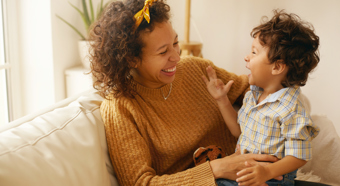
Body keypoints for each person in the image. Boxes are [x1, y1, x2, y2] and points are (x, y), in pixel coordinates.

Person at [202, 10, 320, 186]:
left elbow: (300, 156)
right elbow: (238, 131)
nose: (246, 57)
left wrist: (267, 171)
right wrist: (222, 100)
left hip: (272, 179)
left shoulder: (291, 108)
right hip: (243, 172)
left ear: (277, 67)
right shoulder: (253, 95)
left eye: (254, 52)